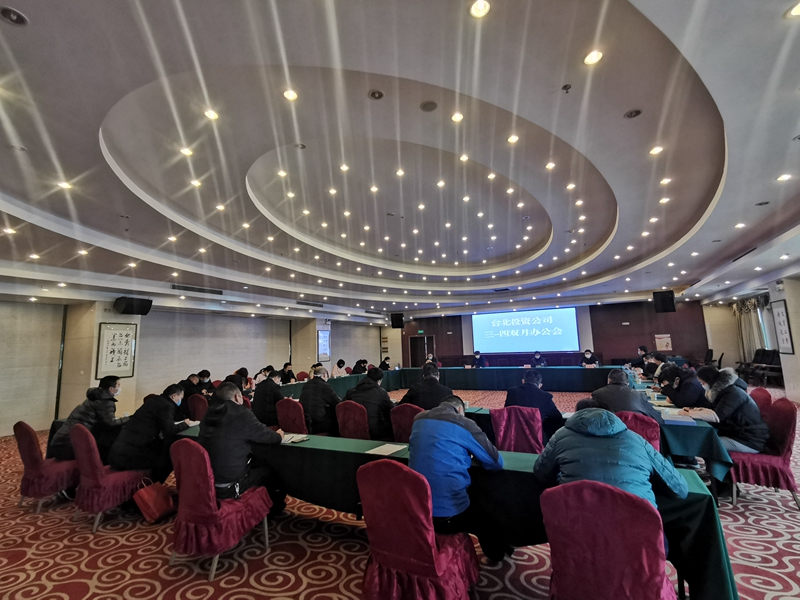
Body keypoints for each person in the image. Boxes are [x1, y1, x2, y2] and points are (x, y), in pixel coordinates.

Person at [409, 395, 508, 562]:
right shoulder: (464, 423)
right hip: (448, 516)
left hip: (417, 510)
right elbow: (496, 462)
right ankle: (496, 555)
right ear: (461, 409)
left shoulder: (418, 419)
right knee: (488, 510)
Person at [533, 401, 688, 508]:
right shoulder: (637, 439)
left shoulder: (560, 436)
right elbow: (680, 489)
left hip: (575, 528)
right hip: (636, 531)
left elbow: (542, 473)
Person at [198, 382, 286, 511]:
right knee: (270, 472)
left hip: (206, 480)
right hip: (229, 485)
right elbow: (269, 437)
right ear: (237, 397)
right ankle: (271, 509)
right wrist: (279, 435)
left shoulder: (209, 413)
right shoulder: (241, 413)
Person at [108, 385, 197, 483]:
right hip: (130, 456)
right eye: (181, 398)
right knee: (166, 458)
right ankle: (157, 485)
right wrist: (186, 424)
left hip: (118, 453)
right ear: (174, 396)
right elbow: (169, 429)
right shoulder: (166, 406)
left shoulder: (153, 400)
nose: (181, 400)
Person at [691, 366, 770, 453]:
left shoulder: (733, 394)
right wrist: (699, 412)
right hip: (737, 434)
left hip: (750, 441)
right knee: (698, 437)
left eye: (702, 383)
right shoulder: (722, 391)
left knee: (701, 443)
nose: (702, 386)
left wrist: (694, 414)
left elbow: (717, 417)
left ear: (710, 381)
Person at [49, 376, 125, 463]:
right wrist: (130, 418)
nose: (120, 388)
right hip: (70, 446)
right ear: (111, 389)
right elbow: (111, 422)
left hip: (61, 442)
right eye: (118, 385)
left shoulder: (95, 397)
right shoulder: (105, 402)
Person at [504, 369, 564, 441]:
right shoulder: (545, 396)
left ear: (523, 381)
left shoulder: (512, 392)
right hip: (536, 439)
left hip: (513, 437)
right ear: (540, 385)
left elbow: (506, 412)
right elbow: (557, 418)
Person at [591, 369, 664, 425]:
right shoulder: (639, 395)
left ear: (609, 380)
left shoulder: (597, 394)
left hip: (607, 429)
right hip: (635, 430)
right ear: (627, 382)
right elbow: (656, 417)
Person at [343, 367, 394, 439]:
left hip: (351, 428)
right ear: (379, 381)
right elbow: (391, 410)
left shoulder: (351, 391)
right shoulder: (381, 392)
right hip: (373, 431)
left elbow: (341, 407)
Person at [299, 366, 342, 435]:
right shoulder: (325, 386)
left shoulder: (306, 385)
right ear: (324, 375)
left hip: (305, 420)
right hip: (318, 422)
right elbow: (337, 402)